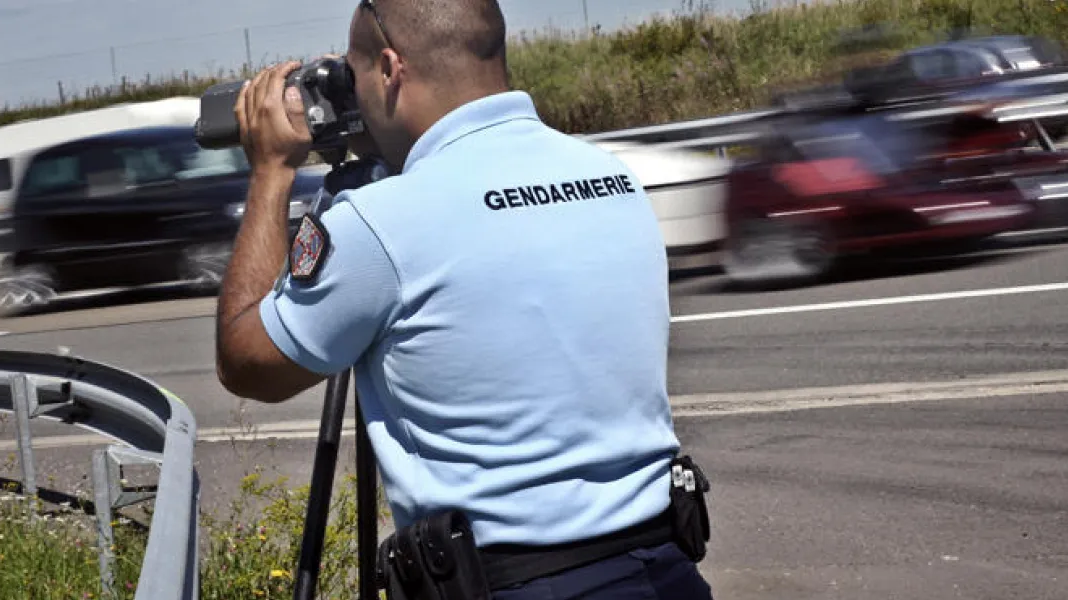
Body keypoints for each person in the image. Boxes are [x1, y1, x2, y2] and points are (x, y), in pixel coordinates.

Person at [214, 0, 714, 598]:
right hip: (666, 570)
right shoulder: (609, 176)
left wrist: (270, 171)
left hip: (519, 584)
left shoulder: (381, 224)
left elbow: (248, 363)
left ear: (391, 69)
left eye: (355, 72)